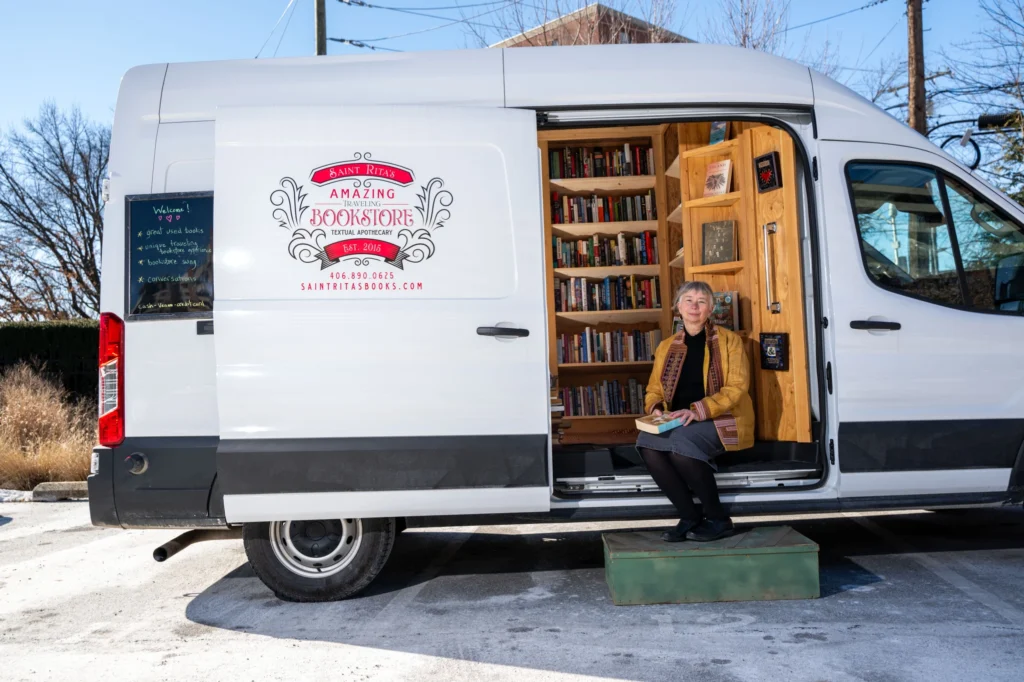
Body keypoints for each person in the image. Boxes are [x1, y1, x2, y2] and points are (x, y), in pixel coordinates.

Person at [637, 281, 754, 542]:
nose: (694, 306)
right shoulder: (666, 346)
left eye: (701, 301)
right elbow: (654, 388)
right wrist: (655, 408)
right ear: (678, 307)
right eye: (688, 300)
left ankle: (718, 518)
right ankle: (689, 516)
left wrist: (699, 411)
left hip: (723, 418)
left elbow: (737, 388)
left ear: (711, 309)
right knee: (647, 443)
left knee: (680, 445)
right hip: (676, 420)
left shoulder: (729, 342)